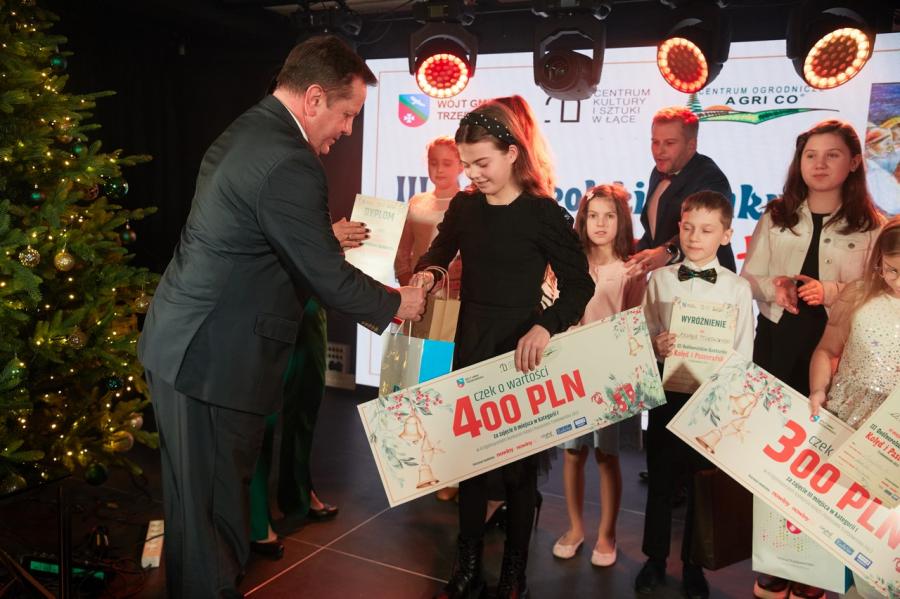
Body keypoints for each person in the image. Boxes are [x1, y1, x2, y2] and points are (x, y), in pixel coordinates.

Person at [137, 35, 426, 598]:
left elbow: (269, 241)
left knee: (195, 514)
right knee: (215, 522)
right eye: (347, 114)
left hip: (186, 346)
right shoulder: (289, 160)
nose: (348, 130)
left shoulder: (250, 129)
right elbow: (324, 273)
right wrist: (397, 303)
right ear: (314, 98)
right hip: (212, 360)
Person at [411, 99, 594, 599]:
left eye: (481, 163)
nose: (472, 174)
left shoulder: (542, 214)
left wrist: (545, 327)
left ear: (513, 153)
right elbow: (439, 252)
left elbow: (580, 286)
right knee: (469, 464)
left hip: (523, 353)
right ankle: (467, 564)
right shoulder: (465, 207)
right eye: (466, 164)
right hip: (472, 345)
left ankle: (515, 573)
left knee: (518, 472)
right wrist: (427, 275)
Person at [740, 119, 883, 599]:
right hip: (777, 343)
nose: (819, 164)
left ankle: (815, 566)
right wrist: (775, 286)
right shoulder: (777, 214)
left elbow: (881, 289)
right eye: (810, 155)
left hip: (835, 352)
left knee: (822, 458)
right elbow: (749, 277)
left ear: (854, 162)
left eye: (832, 155)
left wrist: (834, 290)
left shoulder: (872, 225)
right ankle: (775, 559)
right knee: (773, 452)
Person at [637, 191, 754, 599]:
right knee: (661, 479)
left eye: (706, 230)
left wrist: (727, 399)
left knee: (700, 487)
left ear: (726, 235)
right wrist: (656, 345)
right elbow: (645, 332)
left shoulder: (738, 289)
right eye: (688, 228)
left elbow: (743, 351)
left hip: (711, 399)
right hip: (667, 392)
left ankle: (693, 566)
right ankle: (653, 559)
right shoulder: (660, 279)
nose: (694, 237)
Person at [552, 183, 645, 567]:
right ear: (583, 219)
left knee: (607, 456)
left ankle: (607, 534)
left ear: (621, 221)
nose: (601, 223)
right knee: (572, 454)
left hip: (611, 374)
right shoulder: (568, 263)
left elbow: (635, 322)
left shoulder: (630, 269)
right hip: (571, 371)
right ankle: (575, 528)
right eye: (593, 215)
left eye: (609, 216)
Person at [808, 217, 900, 599]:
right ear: (879, 260)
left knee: (883, 536)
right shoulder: (858, 294)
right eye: (892, 270)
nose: (898, 281)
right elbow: (826, 350)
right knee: (841, 525)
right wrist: (818, 390)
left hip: (892, 436)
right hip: (846, 422)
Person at [626, 106, 736, 276]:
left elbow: (701, 229)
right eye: (655, 142)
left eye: (669, 143)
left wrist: (667, 252)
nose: (659, 151)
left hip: (706, 280)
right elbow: (655, 233)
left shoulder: (711, 178)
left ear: (691, 145)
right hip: (666, 279)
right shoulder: (659, 171)